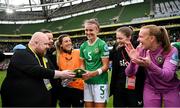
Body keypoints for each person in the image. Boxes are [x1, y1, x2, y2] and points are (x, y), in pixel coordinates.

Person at [1, 32, 75, 107]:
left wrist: (63, 78)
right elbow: (38, 70)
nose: (47, 46)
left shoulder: (42, 55)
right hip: (21, 102)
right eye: (45, 44)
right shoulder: (21, 54)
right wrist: (61, 74)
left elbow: (50, 72)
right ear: (36, 43)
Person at [125, 25, 180, 107]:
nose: (138, 39)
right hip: (151, 88)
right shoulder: (141, 49)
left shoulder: (171, 50)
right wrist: (133, 61)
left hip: (171, 89)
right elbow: (129, 73)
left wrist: (150, 65)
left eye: (141, 36)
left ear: (151, 38)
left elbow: (168, 76)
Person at [109, 27, 144, 107]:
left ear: (129, 37)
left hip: (135, 86)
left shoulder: (138, 47)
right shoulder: (116, 48)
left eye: (120, 38)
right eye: (117, 38)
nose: (118, 41)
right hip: (119, 86)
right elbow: (107, 58)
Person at [80, 19, 109, 108]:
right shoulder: (83, 46)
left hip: (100, 82)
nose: (88, 32)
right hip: (88, 82)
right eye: (86, 30)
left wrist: (92, 74)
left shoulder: (102, 44)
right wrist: (83, 71)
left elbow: (106, 66)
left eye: (91, 30)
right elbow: (82, 64)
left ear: (97, 30)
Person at [55, 34, 84, 107]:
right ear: (61, 45)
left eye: (69, 41)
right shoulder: (57, 56)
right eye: (66, 41)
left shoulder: (78, 52)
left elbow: (83, 67)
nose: (69, 43)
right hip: (64, 89)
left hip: (78, 88)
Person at [40, 29, 60, 107]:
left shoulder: (55, 52)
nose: (51, 41)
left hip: (54, 88)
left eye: (52, 38)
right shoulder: (38, 54)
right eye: (49, 38)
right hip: (43, 90)